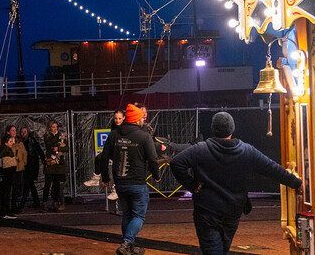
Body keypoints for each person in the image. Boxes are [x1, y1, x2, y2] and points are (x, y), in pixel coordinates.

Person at [170, 112, 302, 255]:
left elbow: (176, 163)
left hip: (207, 210)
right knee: (222, 249)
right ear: (232, 129)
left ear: (213, 129)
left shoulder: (201, 149)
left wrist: (193, 185)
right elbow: (272, 169)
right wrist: (296, 183)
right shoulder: (247, 150)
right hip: (233, 210)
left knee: (212, 250)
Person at [101, 103, 160, 255]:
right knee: (139, 215)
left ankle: (130, 247)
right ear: (136, 119)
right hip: (137, 183)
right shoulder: (144, 136)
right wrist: (156, 175)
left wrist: (106, 177)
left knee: (127, 214)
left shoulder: (114, 134)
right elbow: (153, 159)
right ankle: (126, 243)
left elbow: (103, 157)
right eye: (141, 118)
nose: (143, 120)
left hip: (120, 183)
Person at [85, 110, 125, 202]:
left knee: (117, 169)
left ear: (124, 118)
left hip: (122, 151)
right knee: (99, 157)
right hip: (113, 149)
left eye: (119, 118)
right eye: (115, 118)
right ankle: (96, 178)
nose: (117, 120)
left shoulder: (126, 127)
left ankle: (116, 189)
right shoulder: (114, 125)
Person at [43, 120, 68, 212]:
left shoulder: (61, 136)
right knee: (48, 183)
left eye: (55, 127)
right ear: (50, 128)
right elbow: (48, 145)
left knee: (57, 184)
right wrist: (58, 144)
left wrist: (59, 147)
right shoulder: (47, 135)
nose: (54, 128)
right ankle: (44, 202)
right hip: (50, 163)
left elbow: (66, 148)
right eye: (52, 127)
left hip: (59, 163)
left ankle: (56, 202)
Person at [19, 126, 45, 210]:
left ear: (28, 132)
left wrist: (44, 160)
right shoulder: (21, 141)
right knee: (30, 184)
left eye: (25, 132)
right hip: (26, 166)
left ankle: (22, 204)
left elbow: (39, 150)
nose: (23, 133)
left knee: (27, 184)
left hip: (31, 166)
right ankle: (36, 202)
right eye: (22, 132)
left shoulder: (31, 140)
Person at [4, 125, 27, 214]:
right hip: (11, 168)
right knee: (9, 188)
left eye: (15, 130)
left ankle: (14, 205)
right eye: (12, 130)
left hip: (19, 168)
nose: (14, 132)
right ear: (8, 132)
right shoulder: (8, 143)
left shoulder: (19, 142)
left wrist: (23, 162)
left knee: (17, 188)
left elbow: (24, 153)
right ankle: (7, 207)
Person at [0, 135, 18, 219]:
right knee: (5, 194)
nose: (12, 143)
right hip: (7, 176)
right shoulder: (5, 151)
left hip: (6, 176)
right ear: (6, 142)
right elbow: (7, 166)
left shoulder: (6, 150)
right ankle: (4, 212)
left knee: (5, 193)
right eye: (10, 141)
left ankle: (5, 211)